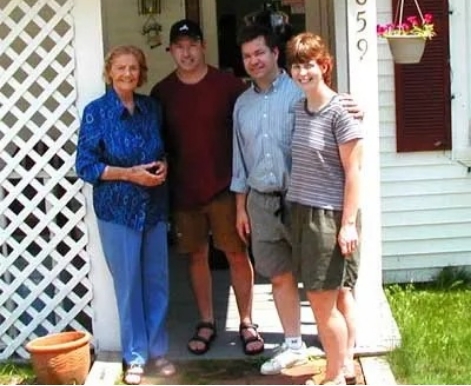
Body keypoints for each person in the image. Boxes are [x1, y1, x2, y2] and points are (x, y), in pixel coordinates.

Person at [231, 24, 363, 377]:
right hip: (262, 202)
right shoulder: (242, 104)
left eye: (260, 52)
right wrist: (241, 207)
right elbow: (238, 159)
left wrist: (352, 105)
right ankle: (294, 345)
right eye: (247, 56)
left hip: (306, 204)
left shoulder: (300, 93)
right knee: (280, 277)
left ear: (275, 55)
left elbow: (338, 120)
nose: (254, 61)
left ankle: (345, 357)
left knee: (331, 287)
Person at [150, 19, 265, 356]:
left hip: (226, 187)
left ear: (202, 47)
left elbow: (256, 118)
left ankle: (246, 322)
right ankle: (206, 321)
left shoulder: (228, 85)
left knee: (236, 253)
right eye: (179, 47)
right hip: (185, 191)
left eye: (192, 45)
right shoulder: (162, 92)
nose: (186, 52)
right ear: (171, 50)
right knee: (196, 256)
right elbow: (157, 141)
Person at [75, 45, 175, 385]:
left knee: (157, 281)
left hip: (154, 207)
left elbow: (162, 149)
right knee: (129, 285)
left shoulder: (151, 108)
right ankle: (135, 356)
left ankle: (158, 351)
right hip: (118, 211)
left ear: (141, 72)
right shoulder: (96, 112)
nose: (127, 74)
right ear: (109, 71)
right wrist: (129, 174)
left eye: (133, 68)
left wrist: (163, 164)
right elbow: (85, 166)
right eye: (121, 68)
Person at [286, 32, 363, 385]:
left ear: (325, 65)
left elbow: (354, 173)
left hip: (329, 217)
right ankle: (345, 362)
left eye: (310, 64)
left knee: (322, 303)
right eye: (297, 66)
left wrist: (348, 225)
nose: (303, 72)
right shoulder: (300, 109)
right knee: (339, 292)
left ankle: (333, 376)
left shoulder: (341, 113)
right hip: (303, 211)